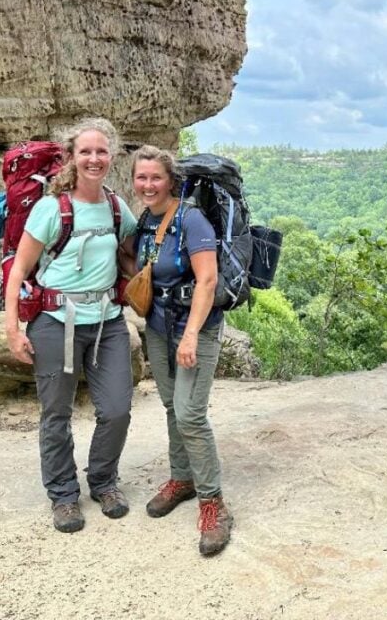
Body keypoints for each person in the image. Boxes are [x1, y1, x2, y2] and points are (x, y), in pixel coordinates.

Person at [5, 118, 138, 534]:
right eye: (86, 151)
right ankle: (63, 495)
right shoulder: (51, 208)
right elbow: (19, 269)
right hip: (54, 322)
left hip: (107, 321)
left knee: (116, 409)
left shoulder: (118, 207)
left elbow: (132, 255)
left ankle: (103, 482)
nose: (94, 159)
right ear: (71, 157)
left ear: (111, 157)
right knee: (57, 414)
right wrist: (13, 327)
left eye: (101, 152)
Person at [126, 144, 233, 557]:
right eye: (141, 177)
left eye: (156, 178)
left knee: (190, 413)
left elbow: (206, 281)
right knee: (173, 405)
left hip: (195, 329)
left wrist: (190, 336)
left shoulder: (192, 220)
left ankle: (213, 503)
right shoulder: (146, 222)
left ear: (171, 180)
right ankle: (181, 478)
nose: (148, 185)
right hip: (158, 326)